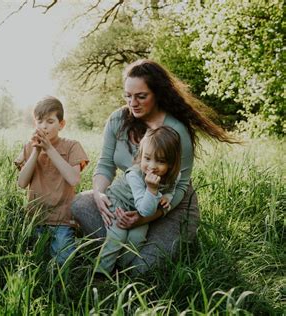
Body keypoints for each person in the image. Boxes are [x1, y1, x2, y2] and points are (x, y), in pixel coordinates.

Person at [71, 59, 237, 275]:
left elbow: (180, 186)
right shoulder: (117, 120)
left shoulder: (176, 130)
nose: (133, 103)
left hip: (169, 203)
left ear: (158, 94)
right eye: (128, 96)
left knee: (142, 269)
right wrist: (100, 195)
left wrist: (145, 218)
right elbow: (105, 165)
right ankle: (117, 248)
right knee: (79, 204)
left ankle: (127, 251)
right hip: (128, 195)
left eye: (141, 96)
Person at [96, 126, 181, 274]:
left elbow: (171, 188)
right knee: (118, 235)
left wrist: (168, 196)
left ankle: (119, 270)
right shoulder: (134, 175)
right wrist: (152, 189)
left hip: (139, 208)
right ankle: (101, 273)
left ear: (171, 164)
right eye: (147, 158)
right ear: (141, 156)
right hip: (119, 201)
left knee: (137, 238)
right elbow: (145, 210)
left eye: (160, 161)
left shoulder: (175, 175)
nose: (152, 167)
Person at [14, 96, 89, 265]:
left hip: (63, 220)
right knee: (35, 264)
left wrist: (49, 149)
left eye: (50, 121)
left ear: (61, 124)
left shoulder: (72, 146)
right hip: (36, 218)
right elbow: (22, 183)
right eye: (39, 121)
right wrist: (36, 151)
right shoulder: (28, 147)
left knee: (61, 265)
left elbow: (74, 179)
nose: (44, 126)